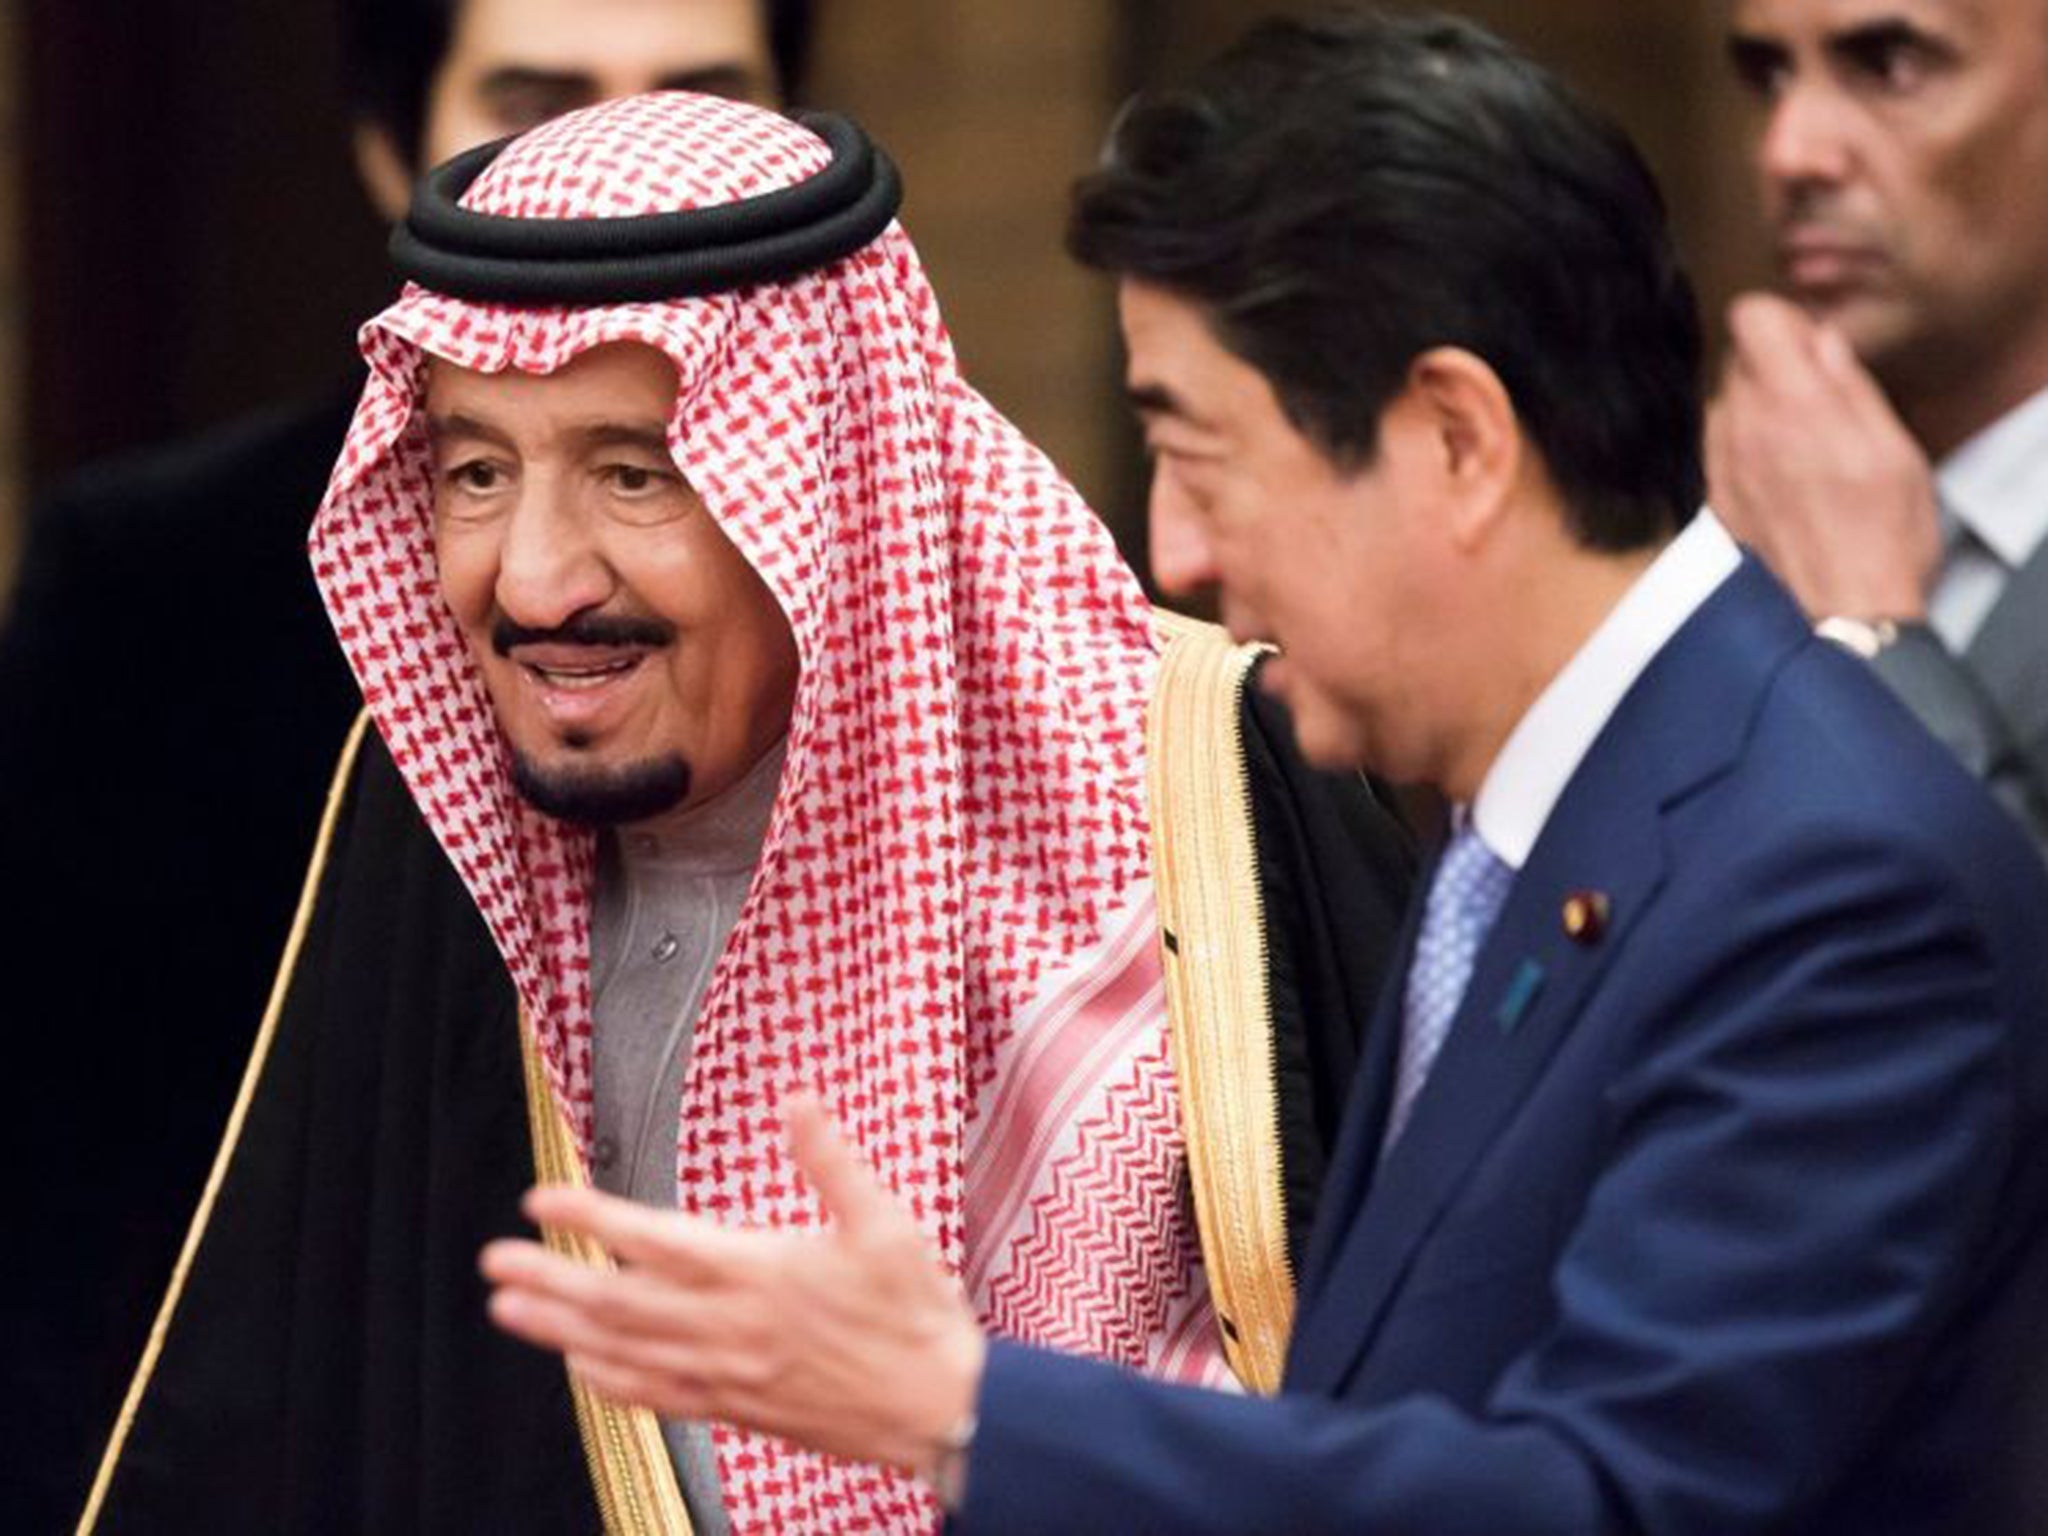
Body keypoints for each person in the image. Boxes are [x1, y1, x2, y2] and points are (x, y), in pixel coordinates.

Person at [481, 12, 2048, 1534]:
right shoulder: (1548, 818)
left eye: (1204, 453)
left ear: (1455, 439)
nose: (1179, 548)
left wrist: (954, 1408)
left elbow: (1606, 1500)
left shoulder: (1829, 883)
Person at [77, 91, 1414, 1534]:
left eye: (633, 473)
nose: (534, 584)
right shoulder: (433, 809)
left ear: (824, 486)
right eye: (474, 472)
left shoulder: (1208, 783)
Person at [0, 5, 810, 1528]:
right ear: (393, 154)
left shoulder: (977, 607)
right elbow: (46, 1171)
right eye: (537, 103)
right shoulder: (158, 578)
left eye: (696, 99)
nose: (617, 165)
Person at [1710, 0, 2048, 858]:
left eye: (1891, 66)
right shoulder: (1741, 506)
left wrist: (1873, 633)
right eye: (1769, 75)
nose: (1790, 150)